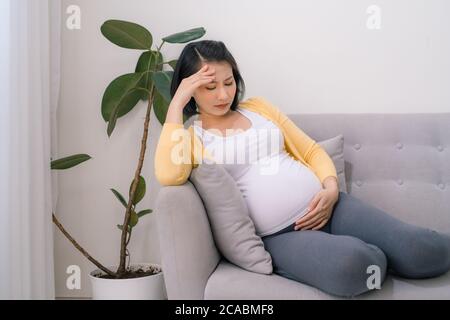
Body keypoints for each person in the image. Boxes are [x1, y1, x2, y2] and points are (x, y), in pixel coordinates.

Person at [154, 40, 450, 298]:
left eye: (228, 82)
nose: (222, 95)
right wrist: (177, 102)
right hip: (283, 235)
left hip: (333, 207)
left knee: (421, 251)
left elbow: (309, 149)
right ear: (190, 88)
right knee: (356, 267)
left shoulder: (258, 108)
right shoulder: (192, 136)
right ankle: (377, 253)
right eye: (209, 86)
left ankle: (395, 252)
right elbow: (169, 174)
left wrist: (332, 189)